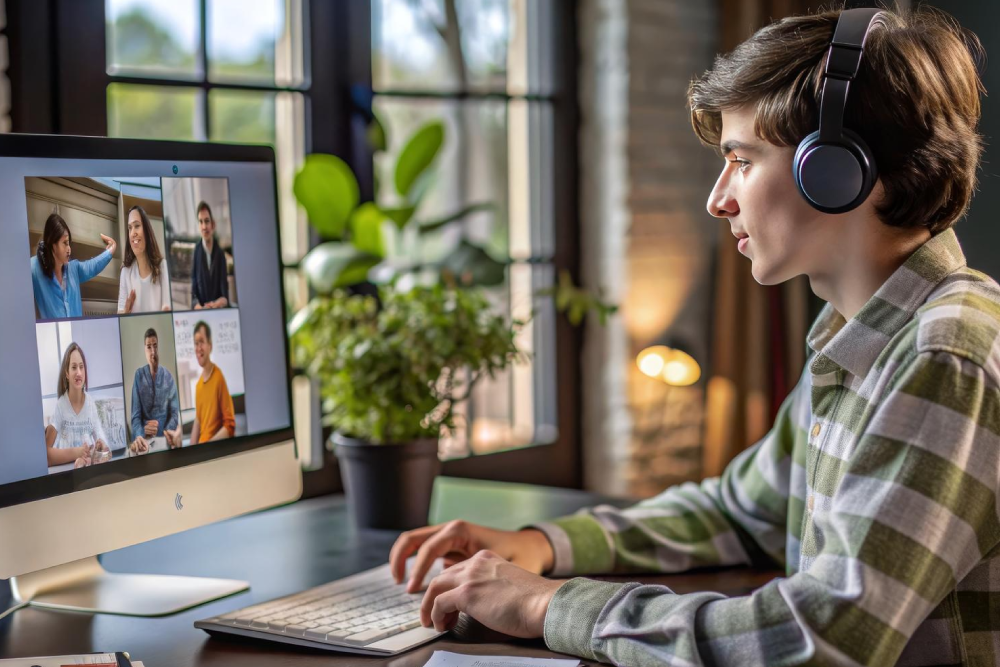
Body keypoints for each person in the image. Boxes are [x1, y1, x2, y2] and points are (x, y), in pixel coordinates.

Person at [388, 7, 1000, 666]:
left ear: (834, 172)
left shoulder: (945, 354)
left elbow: (821, 636)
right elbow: (738, 510)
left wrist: (546, 604)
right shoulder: (860, 335)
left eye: (741, 160)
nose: (718, 199)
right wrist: (544, 544)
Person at [31, 213, 117, 319]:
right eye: (65, 243)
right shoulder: (35, 268)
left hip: (77, 333)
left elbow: (92, 266)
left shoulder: (73, 269)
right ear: (53, 244)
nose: (69, 249)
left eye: (69, 243)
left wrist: (110, 251)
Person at [45, 342, 111, 468]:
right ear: (67, 373)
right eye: (74, 367)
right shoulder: (61, 405)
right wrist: (77, 452)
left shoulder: (91, 404)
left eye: (81, 367)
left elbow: (106, 450)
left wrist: (101, 447)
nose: (79, 373)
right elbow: (46, 456)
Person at [129, 328, 182, 455]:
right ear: (144, 349)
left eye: (155, 346)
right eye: (149, 347)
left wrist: (167, 433)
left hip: (165, 441)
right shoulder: (139, 376)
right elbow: (135, 417)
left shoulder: (168, 377)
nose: (152, 351)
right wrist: (142, 433)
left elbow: (175, 413)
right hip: (144, 443)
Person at [117, 205, 171, 314]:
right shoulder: (126, 272)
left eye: (137, 226)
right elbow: (120, 313)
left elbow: (167, 307)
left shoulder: (162, 266)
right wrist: (125, 313)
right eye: (130, 228)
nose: (133, 233)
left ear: (146, 230)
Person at [190, 321, 235, 445]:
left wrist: (207, 447)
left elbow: (229, 426)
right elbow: (198, 419)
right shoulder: (198, 385)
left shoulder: (218, 377)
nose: (198, 348)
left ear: (210, 345)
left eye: (202, 342)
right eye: (196, 343)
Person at [190, 202, 229, 310]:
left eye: (207, 221)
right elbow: (193, 296)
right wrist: (199, 307)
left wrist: (217, 304)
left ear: (213, 224)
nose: (204, 226)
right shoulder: (196, 253)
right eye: (200, 222)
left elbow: (225, 296)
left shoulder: (220, 254)